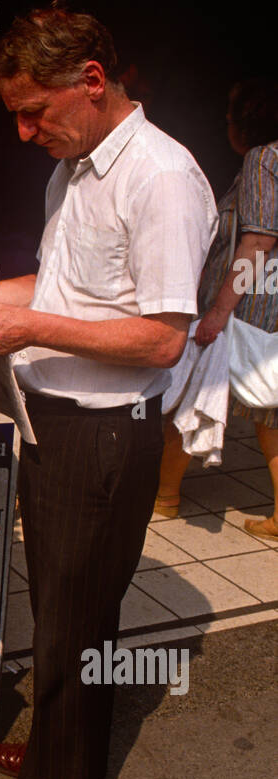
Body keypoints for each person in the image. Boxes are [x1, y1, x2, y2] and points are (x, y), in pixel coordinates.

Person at [0, 3, 217, 779]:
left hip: (104, 436)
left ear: (90, 81)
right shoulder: (76, 167)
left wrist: (29, 326)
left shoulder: (162, 177)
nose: (22, 132)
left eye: (33, 110)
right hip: (54, 423)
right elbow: (62, 285)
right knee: (62, 614)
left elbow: (164, 336)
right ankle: (64, 744)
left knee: (74, 628)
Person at [155, 80, 278, 535]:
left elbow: (259, 242)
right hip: (267, 305)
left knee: (196, 389)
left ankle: (164, 495)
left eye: (230, 117)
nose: (226, 125)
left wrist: (220, 312)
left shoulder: (265, 158)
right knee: (269, 411)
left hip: (250, 308)